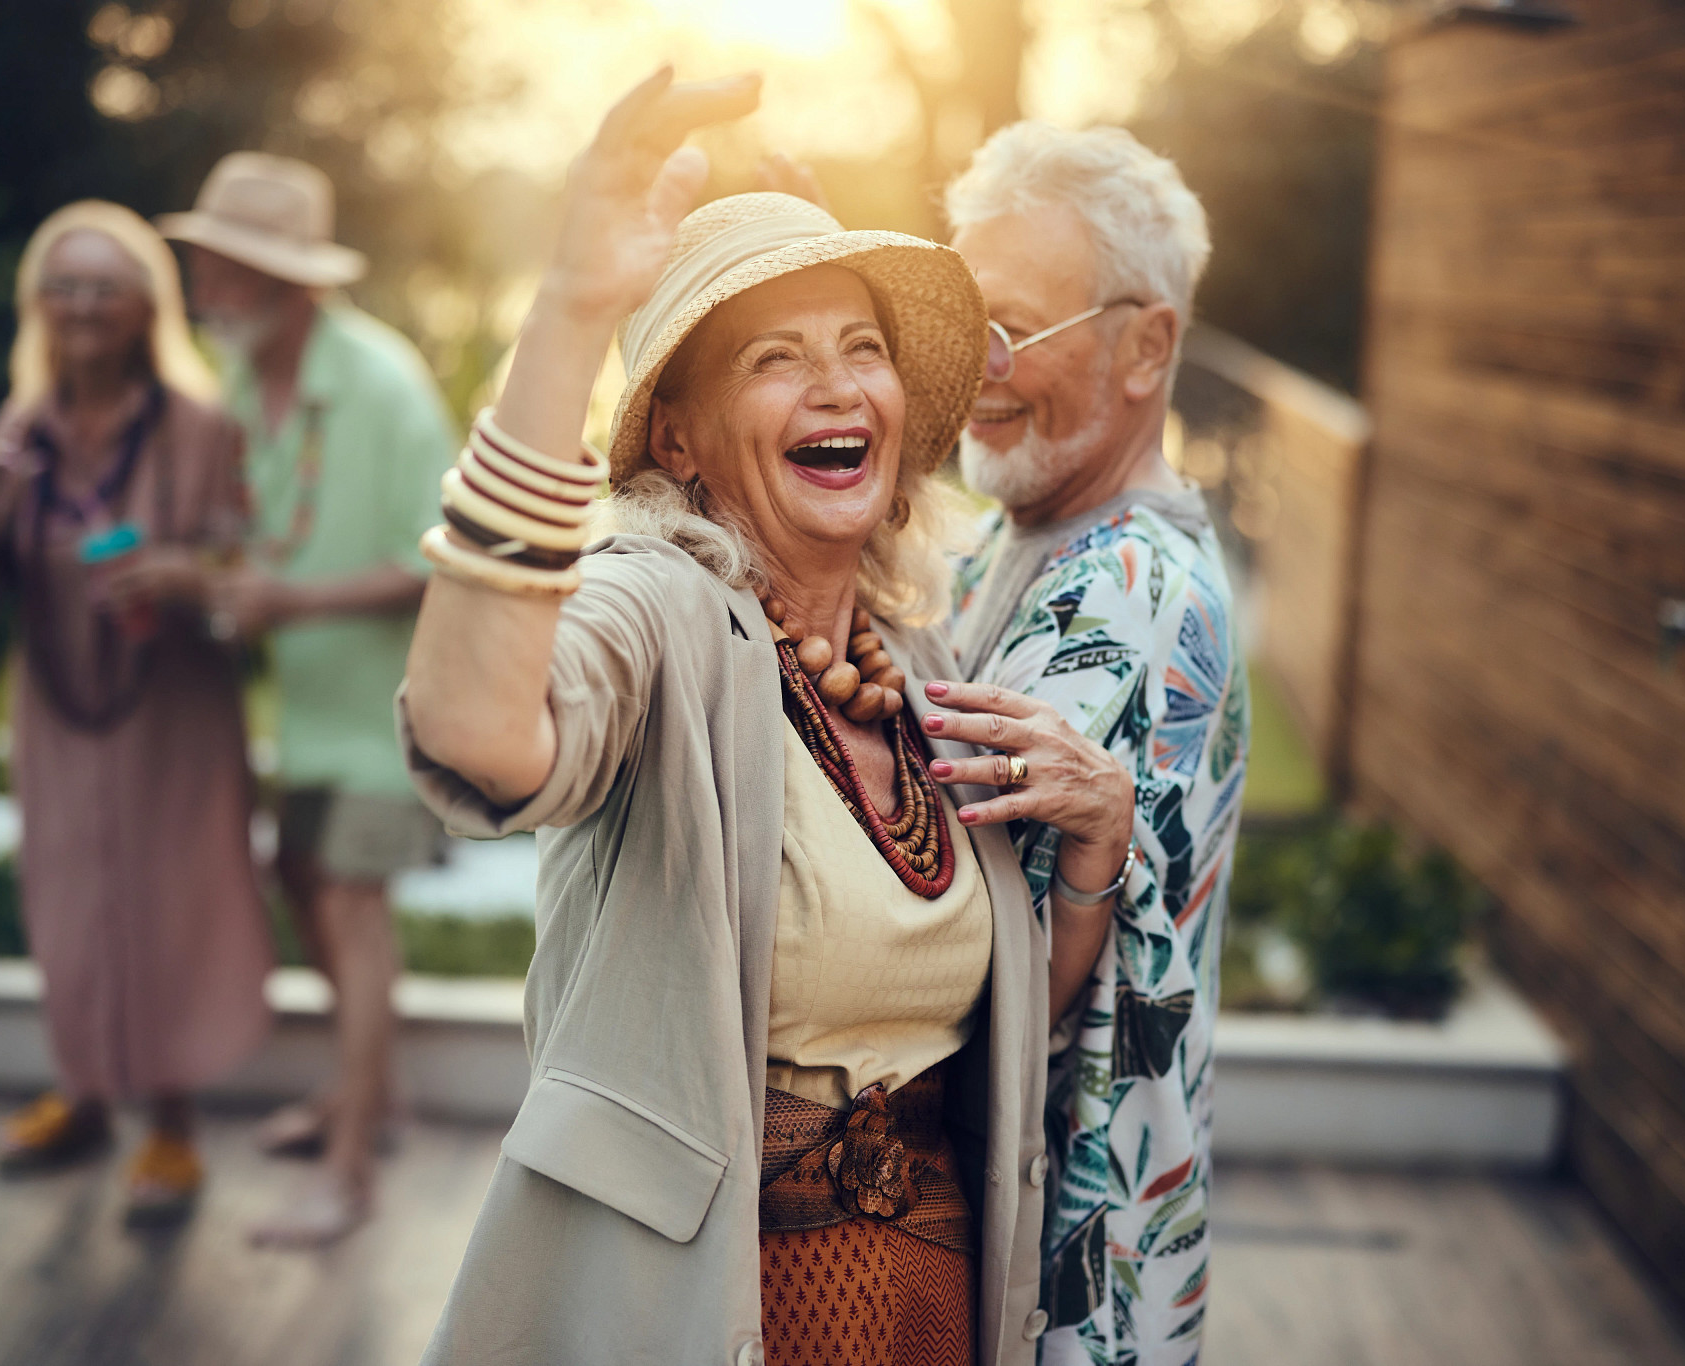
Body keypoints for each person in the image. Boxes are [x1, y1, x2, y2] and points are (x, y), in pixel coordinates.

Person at [398, 71, 1139, 1365]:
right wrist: (571, 312)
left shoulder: (918, 663)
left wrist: (1092, 854)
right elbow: (475, 732)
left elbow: (992, 1021)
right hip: (705, 1311)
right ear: (678, 441)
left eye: (863, 350)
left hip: (932, 1300)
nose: (840, 387)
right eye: (776, 359)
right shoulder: (663, 614)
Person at [942, 124, 1248, 1364]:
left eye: (1009, 327)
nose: (975, 366)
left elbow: (972, 960)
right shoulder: (1014, 532)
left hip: (1056, 1283)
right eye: (962, 326)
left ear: (1145, 346)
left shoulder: (1124, 586)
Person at [0, 201, 274, 1225]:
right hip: (60, 722)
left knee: (173, 912)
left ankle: (170, 1127)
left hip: (175, 722)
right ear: (38, 304)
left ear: (141, 311)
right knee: (70, 910)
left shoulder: (204, 429)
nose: (81, 307)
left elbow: (248, 577)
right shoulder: (16, 429)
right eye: (62, 287)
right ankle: (80, 1095)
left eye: (103, 289)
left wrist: (185, 574)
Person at [157, 153, 456, 1246]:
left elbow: (443, 555)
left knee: (344, 900)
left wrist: (288, 598)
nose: (202, 287)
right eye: (202, 262)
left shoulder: (380, 381)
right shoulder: (234, 376)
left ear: (286, 280)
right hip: (306, 711)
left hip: (390, 713)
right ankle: (368, 1097)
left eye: (223, 268)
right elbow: (244, 521)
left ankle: (348, 1173)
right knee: (301, 880)